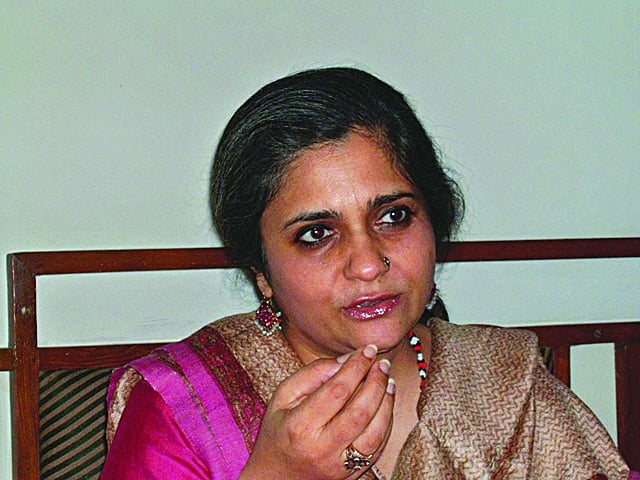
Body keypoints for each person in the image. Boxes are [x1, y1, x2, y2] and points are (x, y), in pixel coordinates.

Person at [102, 67, 633, 479]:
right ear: (261, 270)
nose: (368, 263)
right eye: (317, 233)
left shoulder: (504, 381)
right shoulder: (188, 403)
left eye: (394, 216)